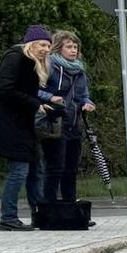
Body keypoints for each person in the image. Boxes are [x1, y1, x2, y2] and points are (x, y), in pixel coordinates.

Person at [0, 25, 58, 230]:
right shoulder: (15, 58)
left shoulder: (33, 64)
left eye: (48, 46)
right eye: (42, 45)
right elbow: (5, 89)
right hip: (10, 124)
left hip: (25, 123)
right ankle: (8, 217)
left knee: (37, 168)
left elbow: (26, 92)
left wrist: (41, 104)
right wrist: (34, 104)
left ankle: (40, 214)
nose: (45, 49)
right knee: (18, 170)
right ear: (31, 44)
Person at [40, 30, 96, 203]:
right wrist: (50, 97)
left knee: (71, 169)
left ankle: (69, 208)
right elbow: (34, 90)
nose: (73, 50)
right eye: (69, 47)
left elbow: (82, 95)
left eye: (75, 47)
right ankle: (48, 207)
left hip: (74, 124)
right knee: (55, 167)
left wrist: (87, 103)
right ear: (59, 48)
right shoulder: (49, 66)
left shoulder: (80, 71)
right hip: (55, 122)